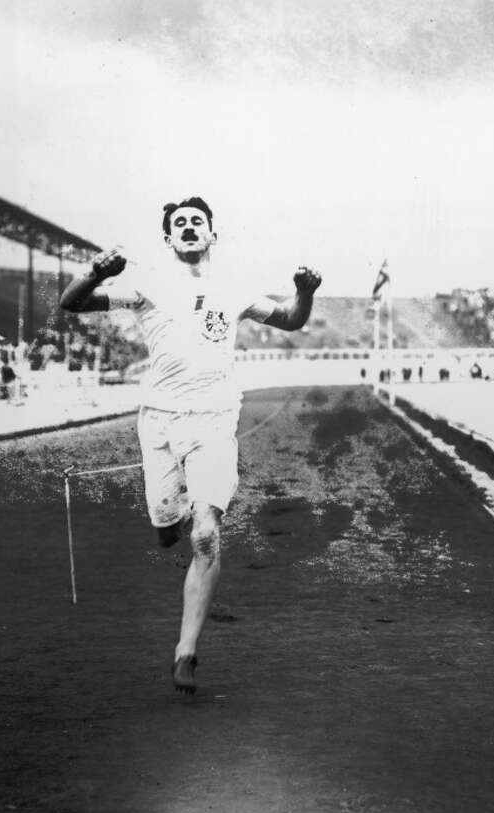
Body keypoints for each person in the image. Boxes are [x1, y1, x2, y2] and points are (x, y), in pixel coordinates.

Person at [59, 196, 322, 695]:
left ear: (211, 234)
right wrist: (94, 272)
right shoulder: (146, 284)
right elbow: (72, 303)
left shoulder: (235, 286)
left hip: (215, 420)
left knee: (205, 534)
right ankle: (173, 516)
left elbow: (290, 319)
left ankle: (186, 653)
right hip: (158, 421)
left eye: (196, 221)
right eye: (178, 223)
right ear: (167, 238)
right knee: (166, 532)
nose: (187, 227)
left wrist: (303, 291)